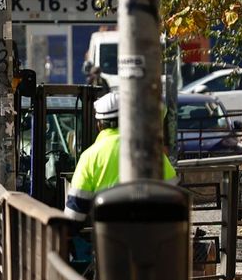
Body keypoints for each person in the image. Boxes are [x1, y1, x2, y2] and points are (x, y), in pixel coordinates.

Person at [64, 91, 177, 222]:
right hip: (148, 236)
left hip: (108, 237)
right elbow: (173, 193)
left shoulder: (89, 157)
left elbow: (74, 215)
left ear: (99, 125)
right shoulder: (150, 150)